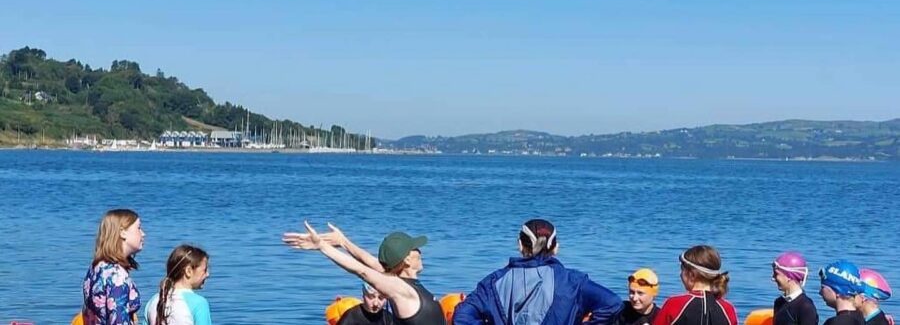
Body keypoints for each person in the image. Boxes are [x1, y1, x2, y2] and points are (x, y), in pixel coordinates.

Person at [452, 218, 622, 325]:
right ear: (555, 248)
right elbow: (613, 303)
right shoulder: (573, 282)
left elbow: (462, 316)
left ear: (520, 245)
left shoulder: (493, 282)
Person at [283, 222, 445, 325]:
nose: (419, 250)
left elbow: (371, 263)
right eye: (415, 248)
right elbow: (362, 271)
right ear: (407, 260)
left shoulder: (400, 281)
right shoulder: (402, 290)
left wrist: (343, 242)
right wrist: (324, 247)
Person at [81, 209, 145, 325]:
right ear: (122, 232)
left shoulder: (96, 267)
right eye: (138, 228)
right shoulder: (117, 276)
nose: (143, 233)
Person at [653, 245, 737, 325]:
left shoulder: (674, 304)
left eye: (682, 270)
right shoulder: (728, 309)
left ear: (692, 275)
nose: (680, 275)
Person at [144, 244, 212, 325]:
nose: (207, 274)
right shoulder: (199, 304)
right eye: (205, 270)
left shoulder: (153, 301)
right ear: (188, 271)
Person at [771, 252, 818, 325]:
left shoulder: (805, 307)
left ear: (789, 276)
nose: (773, 278)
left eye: (776, 274)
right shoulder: (779, 302)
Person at [818, 260, 865, 325]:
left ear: (837, 290)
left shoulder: (837, 323)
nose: (820, 292)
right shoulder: (862, 317)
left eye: (823, 287)